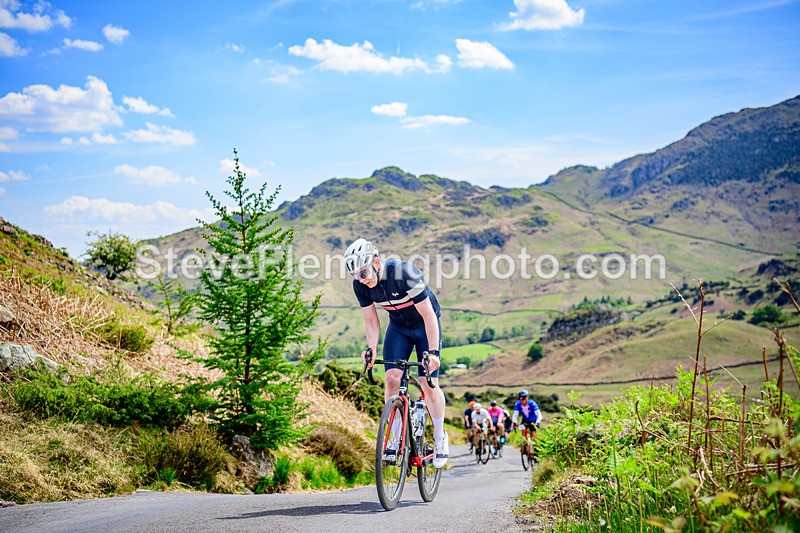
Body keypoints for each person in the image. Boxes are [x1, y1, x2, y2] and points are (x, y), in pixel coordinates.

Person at [346, 238, 449, 469]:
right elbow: (371, 321)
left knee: (427, 382)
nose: (362, 279)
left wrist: (433, 352)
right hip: (399, 328)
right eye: (356, 275)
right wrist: (371, 349)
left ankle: (440, 438)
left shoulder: (404, 274)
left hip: (424, 326)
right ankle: (393, 437)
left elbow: (429, 315)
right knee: (392, 378)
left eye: (363, 272)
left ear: (375, 261)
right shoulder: (360, 285)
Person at [511, 390, 542, 456]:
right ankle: (524, 445)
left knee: (534, 436)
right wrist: (514, 422)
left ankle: (536, 451)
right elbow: (515, 414)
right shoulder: (518, 404)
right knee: (523, 432)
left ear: (527, 397)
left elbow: (539, 414)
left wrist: (537, 422)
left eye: (524, 398)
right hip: (525, 420)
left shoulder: (532, 403)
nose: (522, 400)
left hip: (534, 421)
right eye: (520, 398)